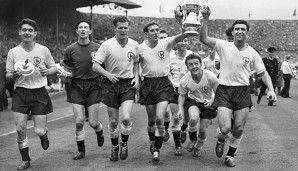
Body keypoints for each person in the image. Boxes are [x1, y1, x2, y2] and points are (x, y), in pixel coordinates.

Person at [200, 9, 276, 167]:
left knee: (239, 128)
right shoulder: (223, 46)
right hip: (224, 91)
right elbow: (204, 38)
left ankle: (230, 156)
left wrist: (271, 90)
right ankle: (221, 139)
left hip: (242, 91)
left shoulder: (252, 53)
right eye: (237, 29)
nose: (240, 31)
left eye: (243, 29)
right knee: (226, 128)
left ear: (247, 33)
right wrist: (206, 19)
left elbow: (263, 73)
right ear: (233, 32)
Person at [6, 18, 58, 170]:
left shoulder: (43, 50)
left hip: (39, 92)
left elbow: (54, 67)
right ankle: (26, 160)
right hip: (21, 92)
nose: (27, 32)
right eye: (24, 30)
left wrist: (49, 71)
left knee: (38, 130)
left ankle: (43, 134)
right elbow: (8, 75)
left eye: (30, 30)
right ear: (19, 32)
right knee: (20, 128)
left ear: (35, 33)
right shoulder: (13, 52)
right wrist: (15, 74)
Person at [138, 22, 188, 164]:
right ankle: (152, 140)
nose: (155, 32)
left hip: (163, 84)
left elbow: (184, 34)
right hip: (147, 84)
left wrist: (180, 21)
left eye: (157, 30)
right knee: (152, 121)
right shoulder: (140, 48)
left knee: (160, 118)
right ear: (146, 34)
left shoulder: (165, 43)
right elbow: (135, 64)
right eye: (152, 30)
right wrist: (136, 80)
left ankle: (156, 150)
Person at [92, 16, 139, 162]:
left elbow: (136, 62)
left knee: (126, 118)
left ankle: (124, 143)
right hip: (110, 84)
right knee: (113, 121)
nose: (123, 30)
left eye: (126, 27)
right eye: (120, 27)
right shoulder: (106, 45)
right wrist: (107, 74)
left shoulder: (134, 44)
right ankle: (114, 147)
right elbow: (95, 65)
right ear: (115, 29)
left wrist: (137, 78)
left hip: (127, 84)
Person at [62, 20, 104, 160]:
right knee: (79, 121)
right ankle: (81, 151)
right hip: (76, 86)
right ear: (77, 31)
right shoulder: (70, 49)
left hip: (93, 85)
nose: (83, 29)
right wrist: (64, 75)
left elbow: (104, 65)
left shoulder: (98, 47)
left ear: (90, 31)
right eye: (80, 27)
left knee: (92, 122)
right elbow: (66, 67)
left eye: (86, 27)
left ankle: (99, 131)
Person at [178, 53, 218, 157]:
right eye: (190, 65)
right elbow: (182, 95)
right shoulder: (184, 80)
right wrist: (180, 110)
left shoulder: (210, 76)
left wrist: (212, 101)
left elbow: (219, 91)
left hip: (208, 103)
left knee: (203, 131)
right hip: (193, 101)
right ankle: (192, 139)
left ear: (201, 64)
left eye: (196, 63)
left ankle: (198, 147)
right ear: (187, 67)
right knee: (194, 118)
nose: (194, 66)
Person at [168, 37, 200, 155]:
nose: (183, 43)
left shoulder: (193, 55)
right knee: (176, 117)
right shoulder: (170, 57)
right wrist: (171, 84)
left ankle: (184, 130)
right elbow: (167, 73)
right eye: (181, 40)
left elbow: (201, 72)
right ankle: (177, 146)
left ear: (188, 42)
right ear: (177, 42)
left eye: (186, 41)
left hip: (190, 91)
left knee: (189, 118)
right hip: (175, 90)